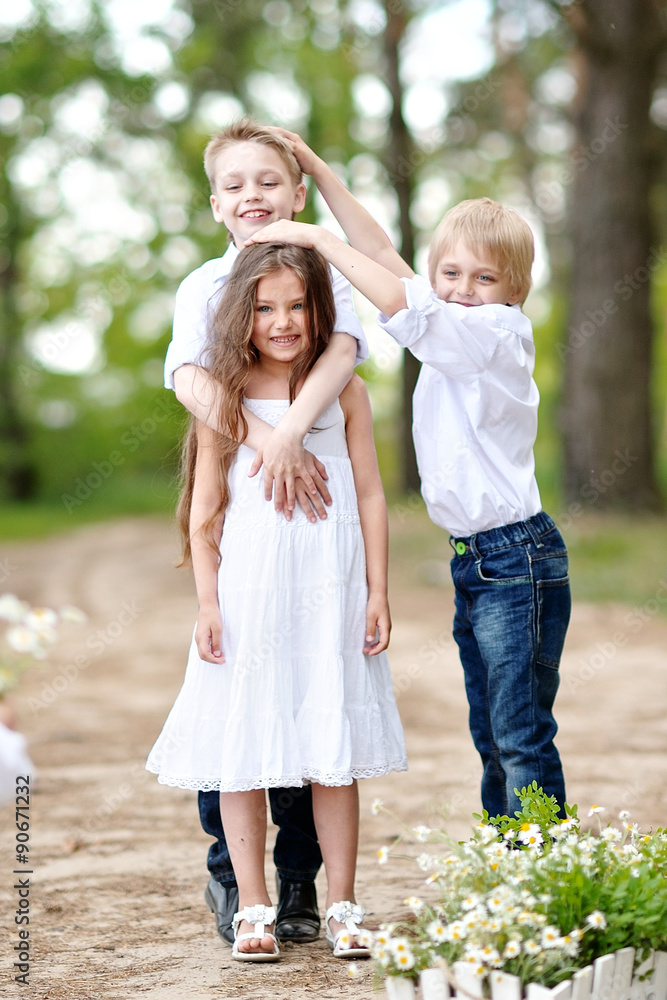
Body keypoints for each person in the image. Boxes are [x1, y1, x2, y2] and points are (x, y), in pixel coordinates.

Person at [247, 130, 571, 821]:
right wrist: (316, 169)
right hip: (478, 563)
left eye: (483, 278)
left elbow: (390, 293)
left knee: (520, 734)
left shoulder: (495, 335)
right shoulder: (449, 312)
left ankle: (541, 868)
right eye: (449, 273)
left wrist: (313, 240)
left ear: (513, 289)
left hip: (518, 559)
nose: (460, 290)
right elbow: (379, 253)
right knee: (490, 732)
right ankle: (506, 866)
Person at [147, 242, 407, 962]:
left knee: (333, 752)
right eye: (265, 308)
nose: (283, 321)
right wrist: (206, 601)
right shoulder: (224, 402)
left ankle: (343, 904)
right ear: (241, 316)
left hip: (331, 592)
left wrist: (378, 591)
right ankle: (254, 904)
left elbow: (371, 494)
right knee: (244, 745)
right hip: (251, 595)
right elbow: (204, 510)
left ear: (319, 309)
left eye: (296, 306)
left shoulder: (344, 392)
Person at [164, 119, 371, 944]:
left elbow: (345, 346)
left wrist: (295, 430)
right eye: (237, 185)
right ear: (216, 205)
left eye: (271, 181)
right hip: (250, 516)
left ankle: (300, 888)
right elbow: (190, 377)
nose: (254, 196)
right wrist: (262, 440)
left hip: (316, 533)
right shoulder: (203, 285)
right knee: (245, 722)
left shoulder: (324, 271)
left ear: (296, 193)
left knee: (311, 723)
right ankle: (234, 882)